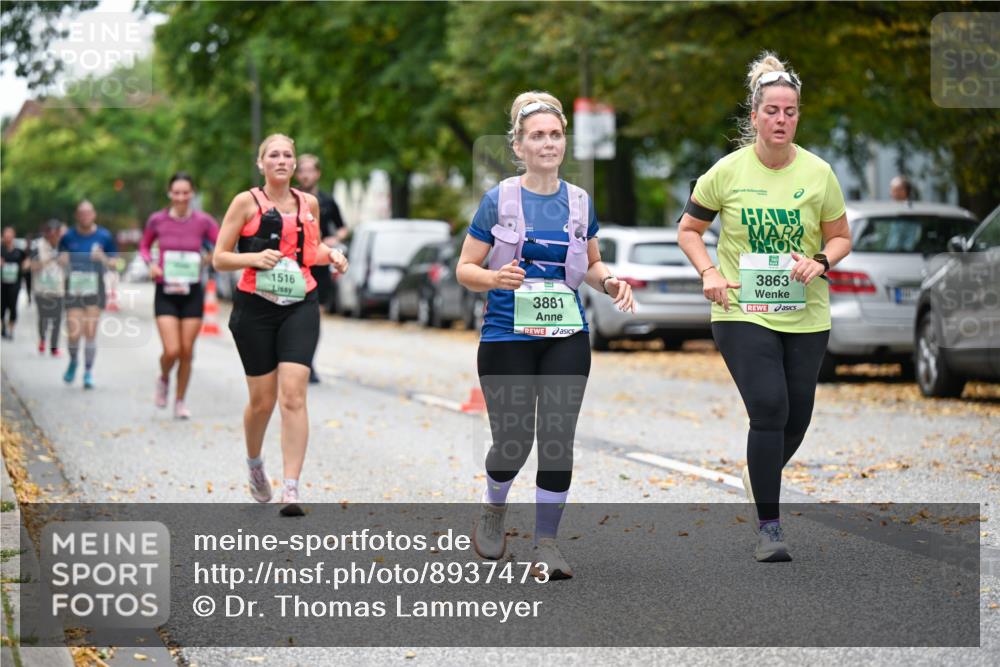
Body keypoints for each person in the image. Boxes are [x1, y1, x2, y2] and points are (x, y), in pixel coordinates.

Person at [677, 52, 852, 562]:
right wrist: (709, 272)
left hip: (805, 313)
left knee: (795, 419)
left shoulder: (819, 173)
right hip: (741, 309)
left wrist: (819, 261)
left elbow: (841, 237)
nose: (781, 119)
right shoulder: (727, 172)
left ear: (799, 115)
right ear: (753, 116)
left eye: (790, 111)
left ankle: (760, 473)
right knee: (769, 408)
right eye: (772, 110)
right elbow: (690, 230)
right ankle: (770, 528)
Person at [456, 92, 634, 580]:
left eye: (555, 134)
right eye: (537, 135)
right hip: (505, 334)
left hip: (565, 333)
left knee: (557, 440)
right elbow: (465, 268)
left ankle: (547, 546)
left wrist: (611, 282)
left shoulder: (579, 201)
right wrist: (494, 279)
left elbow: (592, 265)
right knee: (513, 441)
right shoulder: (499, 200)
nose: (548, 142)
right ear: (518, 145)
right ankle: (494, 507)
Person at [213, 133, 348, 516]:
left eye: (288, 154)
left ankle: (291, 488)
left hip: (299, 304)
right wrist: (252, 260)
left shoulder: (310, 203)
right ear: (261, 163)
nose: (282, 160)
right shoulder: (245, 202)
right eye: (274, 155)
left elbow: (312, 250)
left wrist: (333, 256)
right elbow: (220, 258)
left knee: (293, 395)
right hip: (254, 307)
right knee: (262, 401)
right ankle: (255, 464)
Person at [140, 172, 220, 419]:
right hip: (166, 290)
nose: (181, 197)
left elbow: (220, 245)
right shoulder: (157, 220)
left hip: (192, 291)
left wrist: (209, 258)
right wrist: (151, 265)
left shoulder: (204, 222)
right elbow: (144, 246)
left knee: (187, 351)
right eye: (176, 193)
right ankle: (164, 377)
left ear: (192, 193)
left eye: (186, 192)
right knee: (172, 350)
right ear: (169, 194)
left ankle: (180, 400)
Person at [294, 153, 347, 384]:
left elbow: (343, 227)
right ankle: (290, 360)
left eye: (310, 170)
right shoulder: (290, 199)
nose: (306, 174)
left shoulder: (326, 201)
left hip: (319, 263)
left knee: (314, 317)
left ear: (317, 173)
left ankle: (308, 362)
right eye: (302, 170)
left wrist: (333, 240)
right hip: (294, 264)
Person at [59, 200, 118, 389]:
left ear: (94, 215)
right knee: (74, 333)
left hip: (95, 289)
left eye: (88, 212)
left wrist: (103, 258)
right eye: (81, 213)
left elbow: (115, 263)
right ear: (77, 216)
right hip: (74, 288)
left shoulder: (104, 236)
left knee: (90, 332)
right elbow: (60, 259)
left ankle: (88, 371)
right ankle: (74, 360)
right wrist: (63, 260)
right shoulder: (68, 236)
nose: (85, 216)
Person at [32, 220, 65, 355]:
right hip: (42, 288)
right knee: (43, 318)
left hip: (58, 289)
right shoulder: (38, 245)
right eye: (49, 231)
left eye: (55, 232)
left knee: (57, 319)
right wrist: (49, 258)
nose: (53, 234)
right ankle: (42, 339)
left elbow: (69, 265)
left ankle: (54, 347)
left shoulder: (64, 246)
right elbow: (33, 266)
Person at [1, 227, 29, 339]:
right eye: (6, 234)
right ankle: (3, 328)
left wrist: (25, 266)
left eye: (10, 234)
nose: (8, 236)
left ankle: (11, 330)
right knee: (1, 306)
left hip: (15, 282)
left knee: (13, 305)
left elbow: (27, 261)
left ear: (13, 235)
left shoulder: (19, 251)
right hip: (2, 282)